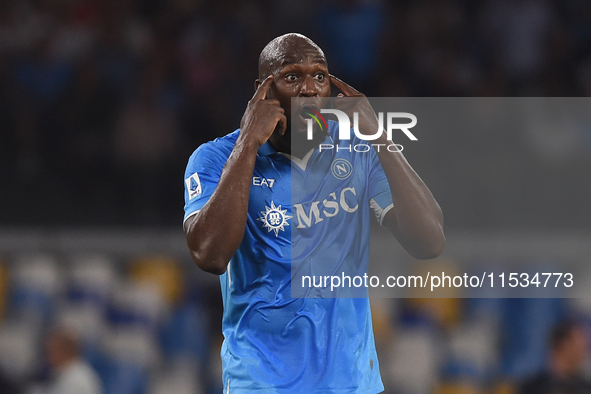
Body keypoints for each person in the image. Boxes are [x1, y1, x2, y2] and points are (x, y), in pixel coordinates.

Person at [183, 33, 445, 393]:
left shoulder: (359, 148)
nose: (309, 88)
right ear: (264, 90)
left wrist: (380, 137)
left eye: (319, 76)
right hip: (262, 383)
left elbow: (430, 241)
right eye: (292, 77)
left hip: (352, 383)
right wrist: (248, 143)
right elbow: (210, 255)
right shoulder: (215, 158)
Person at [520, 319, 591, 394]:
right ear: (563, 345)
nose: (584, 352)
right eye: (579, 346)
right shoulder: (531, 388)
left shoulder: (586, 388)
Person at [43, 328, 103, 394]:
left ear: (65, 351)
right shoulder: (63, 373)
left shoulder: (77, 379)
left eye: (53, 350)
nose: (48, 355)